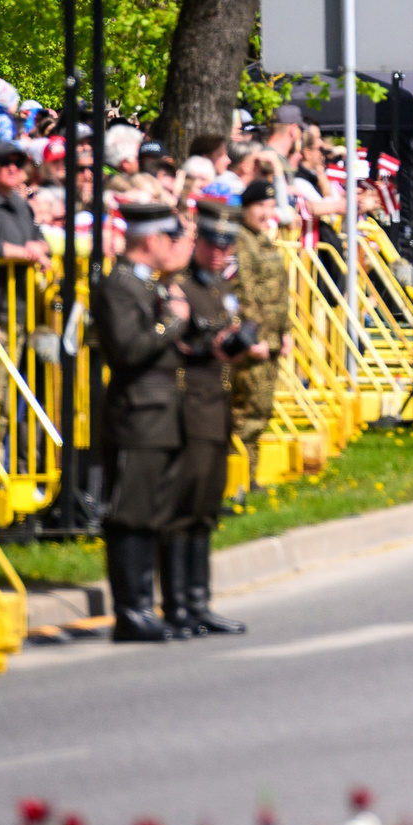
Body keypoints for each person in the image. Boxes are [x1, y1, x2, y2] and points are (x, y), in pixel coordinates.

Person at [94, 198, 198, 642]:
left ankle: (144, 606)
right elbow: (128, 348)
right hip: (138, 413)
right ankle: (131, 609)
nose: (173, 247)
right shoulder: (117, 285)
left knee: (152, 512)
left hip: (160, 414)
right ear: (152, 240)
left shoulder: (146, 283)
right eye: (169, 239)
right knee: (132, 514)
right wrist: (173, 325)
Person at [165, 205, 249, 637]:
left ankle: (200, 602)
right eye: (211, 245)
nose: (218, 254)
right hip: (190, 406)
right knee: (185, 506)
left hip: (217, 405)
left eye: (225, 246)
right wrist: (208, 349)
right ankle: (177, 605)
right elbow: (177, 345)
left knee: (206, 509)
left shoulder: (219, 287)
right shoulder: (178, 287)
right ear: (196, 244)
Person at [227, 181, 293, 492]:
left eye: (269, 207)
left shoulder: (261, 240)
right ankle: (238, 479)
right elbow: (244, 292)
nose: (266, 213)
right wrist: (251, 338)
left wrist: (287, 332)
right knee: (247, 410)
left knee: (260, 408)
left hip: (272, 339)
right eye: (260, 207)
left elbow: (278, 292)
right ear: (246, 208)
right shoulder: (242, 241)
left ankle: (248, 477)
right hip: (256, 341)